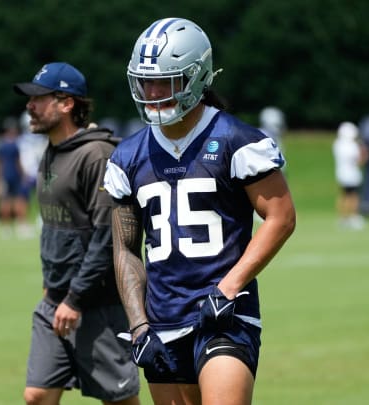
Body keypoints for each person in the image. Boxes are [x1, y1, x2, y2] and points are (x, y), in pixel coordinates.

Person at [103, 18, 296, 405]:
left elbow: (281, 217)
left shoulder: (236, 140)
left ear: (197, 77)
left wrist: (228, 287)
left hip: (224, 315)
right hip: (161, 322)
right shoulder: (127, 156)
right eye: (145, 81)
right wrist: (139, 326)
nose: (153, 92)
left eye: (166, 81)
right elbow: (124, 248)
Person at [13, 62, 141, 405]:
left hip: (96, 304)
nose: (30, 106)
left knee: (120, 399)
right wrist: (53, 286)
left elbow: (107, 236)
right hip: (55, 300)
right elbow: (58, 229)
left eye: (39, 98)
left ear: (67, 103)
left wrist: (75, 298)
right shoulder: (51, 152)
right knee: (37, 395)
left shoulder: (97, 155)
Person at [0, 115, 31, 238]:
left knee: (5, 201)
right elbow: (18, 161)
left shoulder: (1, 143)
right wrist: (23, 174)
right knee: (18, 200)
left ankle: (6, 227)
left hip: (5, 174)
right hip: (14, 175)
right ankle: (21, 225)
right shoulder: (14, 144)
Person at [332, 121, 368, 229]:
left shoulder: (337, 144)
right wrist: (364, 153)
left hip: (341, 174)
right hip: (352, 174)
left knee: (343, 195)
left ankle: (343, 218)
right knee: (354, 196)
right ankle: (354, 217)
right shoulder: (352, 146)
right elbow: (360, 161)